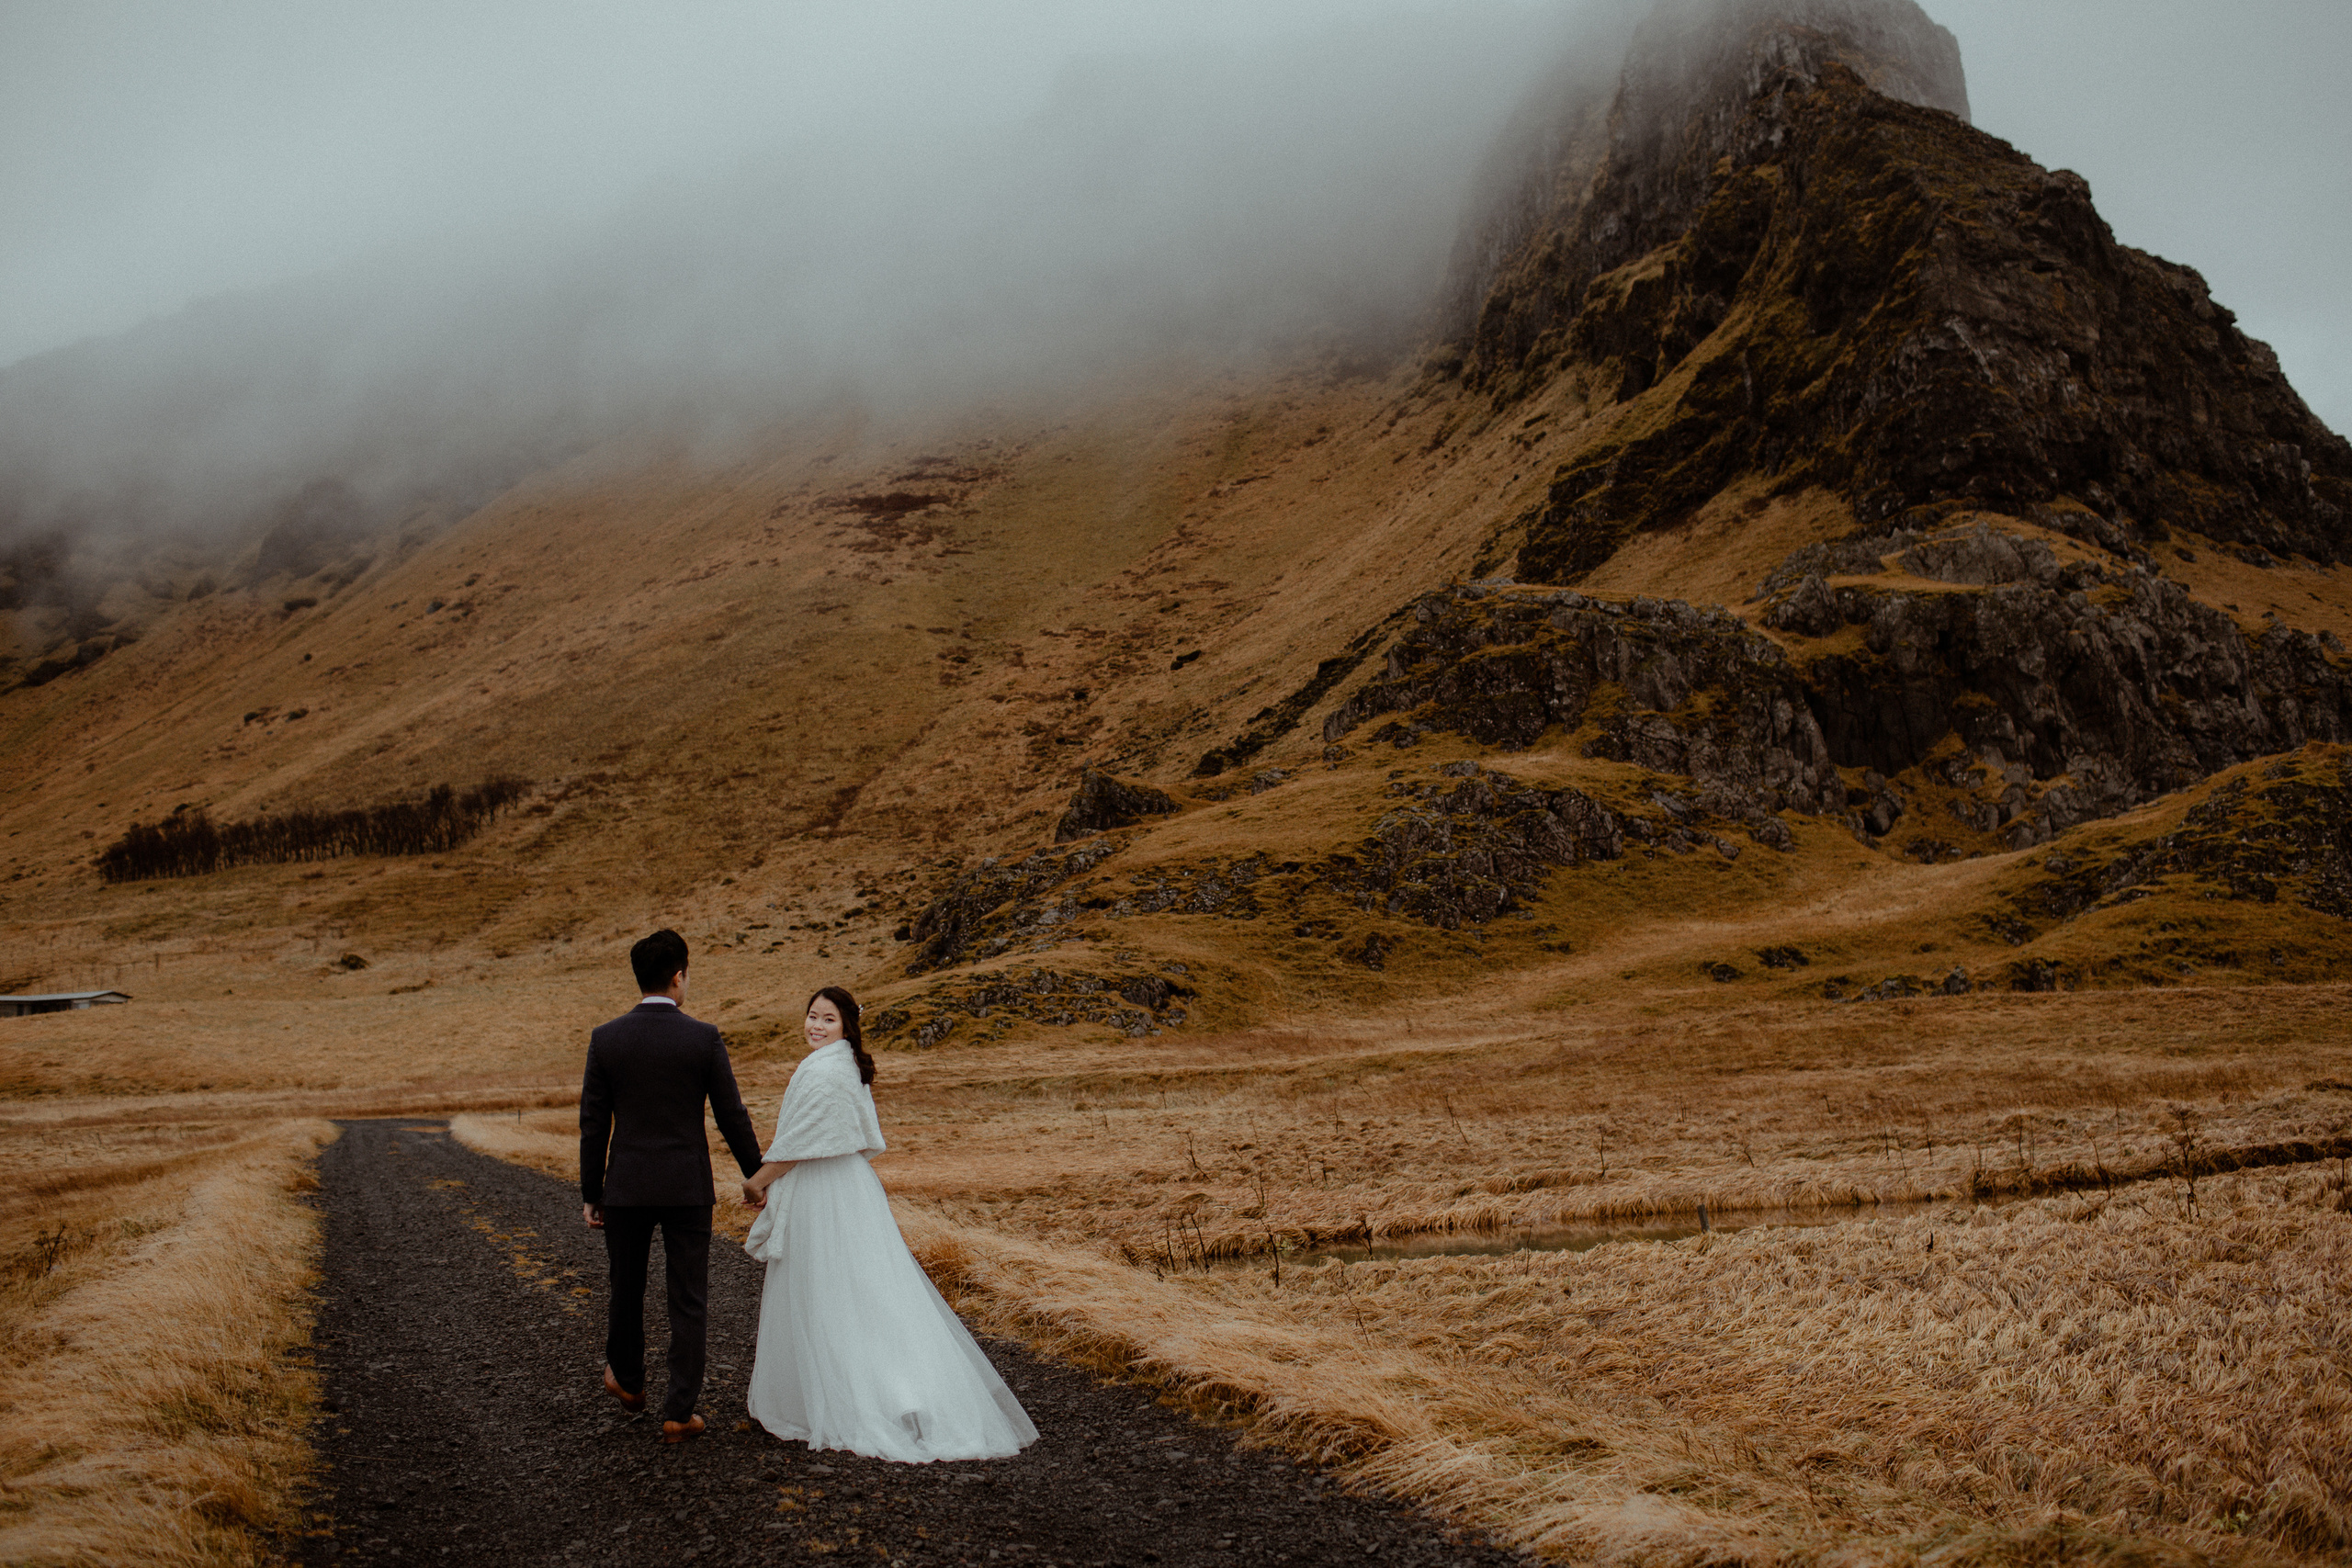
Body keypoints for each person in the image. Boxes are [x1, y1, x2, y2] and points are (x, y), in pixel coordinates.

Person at [741, 985, 1036, 1461]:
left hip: (830, 1191)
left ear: (846, 1027)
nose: (816, 1025)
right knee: (858, 1286)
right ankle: (853, 1386)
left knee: (836, 1289)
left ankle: (880, 1394)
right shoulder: (836, 1065)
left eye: (828, 1019)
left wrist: (757, 1182)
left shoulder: (831, 1071)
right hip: (842, 1185)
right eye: (812, 1016)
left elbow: (801, 1142)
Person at [579, 928, 765, 1443]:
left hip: (627, 1186)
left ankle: (631, 1383)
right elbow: (732, 1115)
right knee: (688, 1297)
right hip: (687, 1187)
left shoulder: (606, 1038)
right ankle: (679, 1413)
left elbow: (593, 1124)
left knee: (627, 1287)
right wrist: (758, 1175)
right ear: (678, 975)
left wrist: (591, 1191)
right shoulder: (702, 1037)